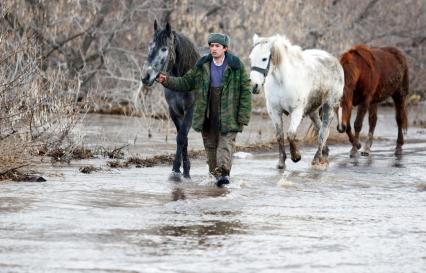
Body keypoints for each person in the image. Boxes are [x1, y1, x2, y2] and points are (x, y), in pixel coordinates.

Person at [157, 33, 252, 187]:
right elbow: (186, 82)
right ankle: (217, 189)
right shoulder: (202, 65)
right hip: (208, 113)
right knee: (211, 148)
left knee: (225, 146)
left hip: (229, 113)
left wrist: (243, 116)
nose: (213, 49)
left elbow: (246, 90)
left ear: (225, 48)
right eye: (211, 46)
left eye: (217, 46)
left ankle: (224, 176)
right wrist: (167, 80)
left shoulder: (236, 65)